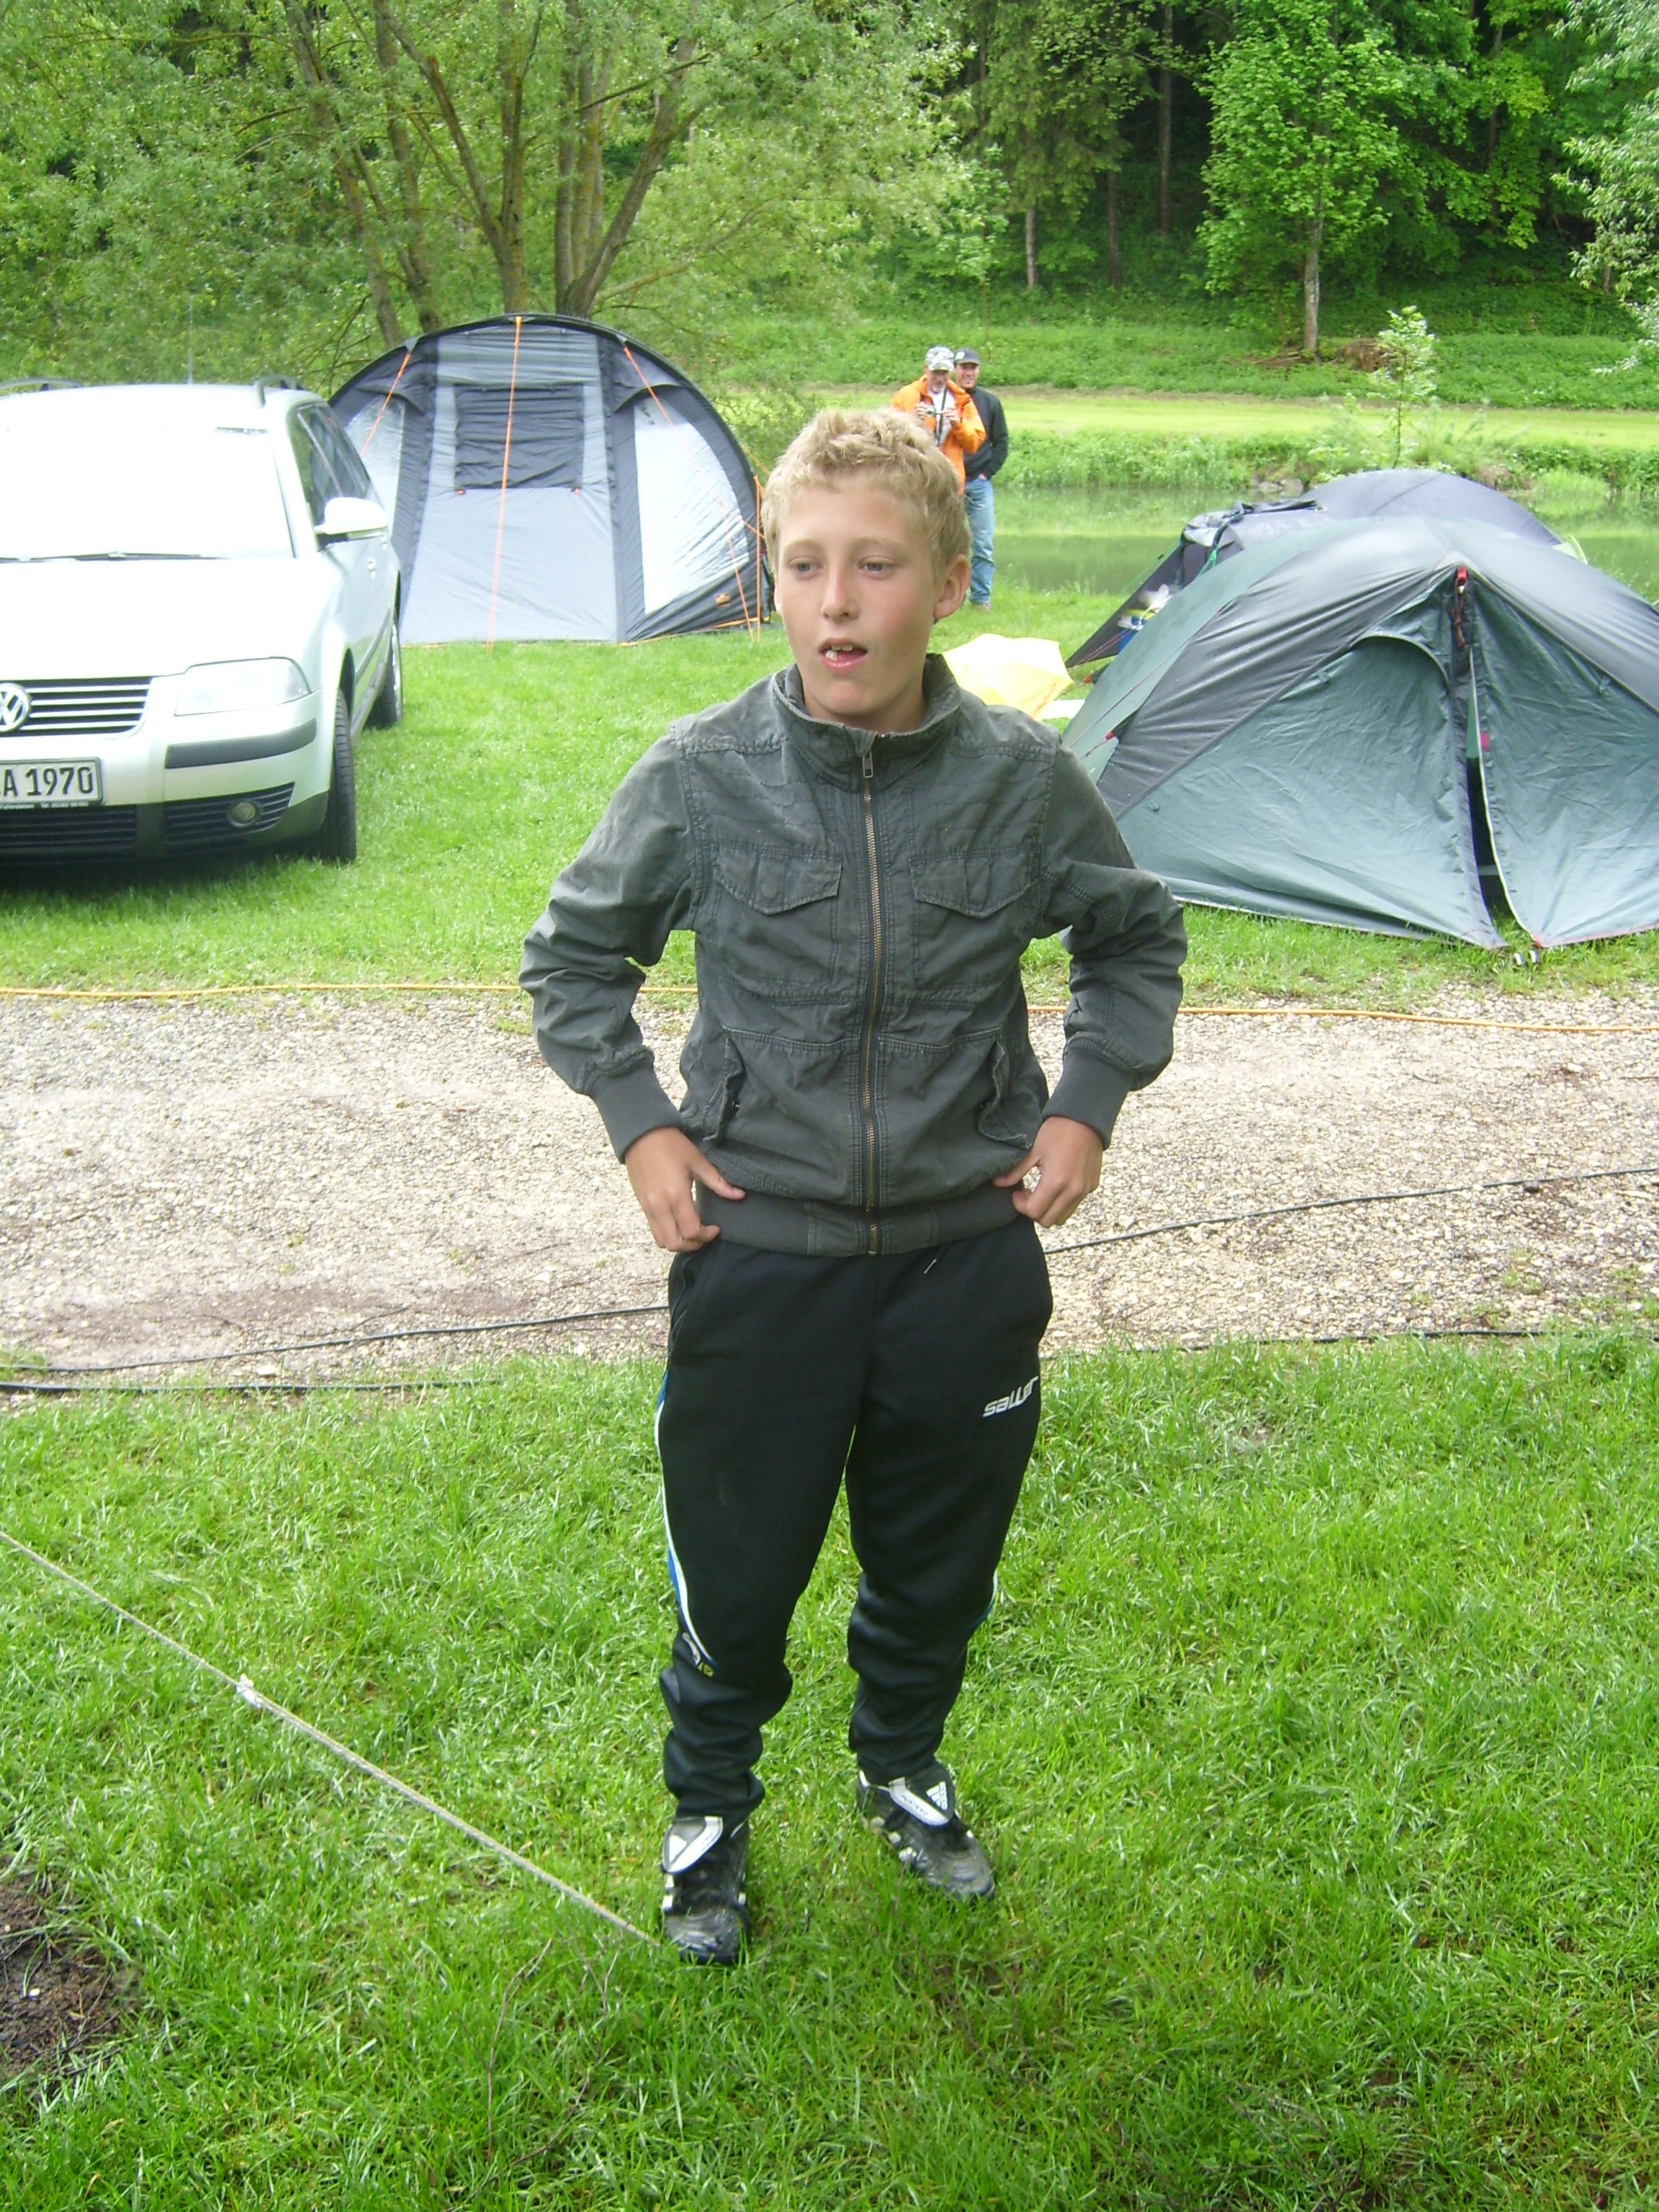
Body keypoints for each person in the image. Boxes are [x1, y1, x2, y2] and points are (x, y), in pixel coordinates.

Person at [521, 409, 1186, 1966]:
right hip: (764, 1258)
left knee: (936, 1561)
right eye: (804, 564)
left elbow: (1132, 936)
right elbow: (572, 959)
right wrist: (641, 1125)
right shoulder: (700, 776)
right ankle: (707, 1807)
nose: (836, 602)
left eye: (875, 567)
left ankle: (902, 1760)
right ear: (771, 579)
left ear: (946, 585)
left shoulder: (1021, 780)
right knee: (737, 1570)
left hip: (967, 1260)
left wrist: (1086, 1104)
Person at [954, 349, 1008, 608]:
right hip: (950, 485)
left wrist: (988, 472)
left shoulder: (990, 403)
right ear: (955, 369)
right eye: (964, 367)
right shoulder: (946, 401)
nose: (969, 372)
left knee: (983, 545)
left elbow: (1002, 441)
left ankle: (981, 599)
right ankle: (953, 598)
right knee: (951, 545)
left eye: (973, 367)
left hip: (978, 482)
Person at [891, 344, 985, 491]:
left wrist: (958, 424)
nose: (940, 379)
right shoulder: (906, 396)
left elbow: (974, 444)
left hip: (949, 482)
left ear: (951, 371)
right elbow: (889, 438)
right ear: (926, 368)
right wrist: (912, 422)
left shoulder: (962, 400)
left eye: (944, 373)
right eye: (935, 373)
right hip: (914, 479)